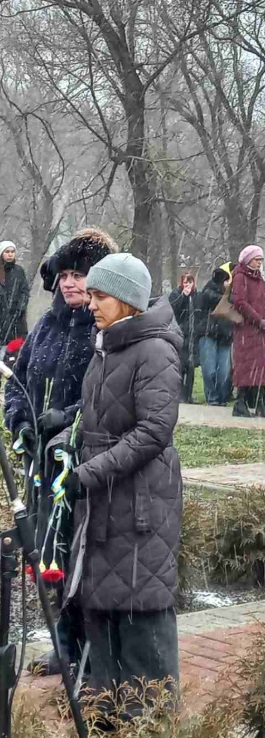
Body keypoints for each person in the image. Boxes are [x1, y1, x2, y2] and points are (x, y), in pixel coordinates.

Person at [65, 253, 182, 720]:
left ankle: (151, 719)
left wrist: (89, 473)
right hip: (105, 499)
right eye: (90, 294)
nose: (90, 303)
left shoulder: (155, 350)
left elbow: (154, 431)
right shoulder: (108, 346)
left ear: (128, 300)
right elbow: (102, 414)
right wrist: (67, 431)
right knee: (104, 604)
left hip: (140, 504)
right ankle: (111, 711)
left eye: (99, 295)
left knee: (140, 608)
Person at [4, 228, 116, 676]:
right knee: (51, 552)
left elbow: (102, 395)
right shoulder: (47, 326)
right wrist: (22, 422)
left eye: (80, 275)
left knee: (80, 554)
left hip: (80, 463)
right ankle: (64, 644)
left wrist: (65, 419)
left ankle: (89, 651)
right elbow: (18, 381)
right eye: (65, 275)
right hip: (41, 466)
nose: (70, 283)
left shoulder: (103, 328)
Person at [231, 245, 265, 418]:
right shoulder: (240, 277)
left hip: (260, 331)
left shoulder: (261, 281)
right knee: (245, 366)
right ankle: (240, 402)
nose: (259, 263)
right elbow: (240, 302)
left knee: (260, 366)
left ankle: (259, 402)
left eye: (261, 260)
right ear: (248, 260)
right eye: (257, 260)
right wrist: (258, 320)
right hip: (246, 329)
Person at [194, 264, 233, 406]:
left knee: (223, 372)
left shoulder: (231, 294)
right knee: (209, 370)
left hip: (225, 336)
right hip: (208, 334)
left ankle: (221, 398)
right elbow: (210, 297)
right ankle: (212, 398)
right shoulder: (209, 291)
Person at [169, 272, 198, 404]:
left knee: (190, 366)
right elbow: (174, 310)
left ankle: (188, 395)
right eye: (185, 282)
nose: (187, 285)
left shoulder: (196, 295)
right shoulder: (176, 294)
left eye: (189, 282)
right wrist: (183, 297)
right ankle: (179, 394)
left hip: (192, 335)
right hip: (180, 333)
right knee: (180, 365)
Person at [0, 240, 29, 344]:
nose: (10, 254)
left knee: (15, 350)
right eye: (7, 252)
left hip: (16, 319)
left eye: (12, 252)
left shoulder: (18, 271)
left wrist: (21, 307)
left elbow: (24, 291)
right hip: (2, 316)